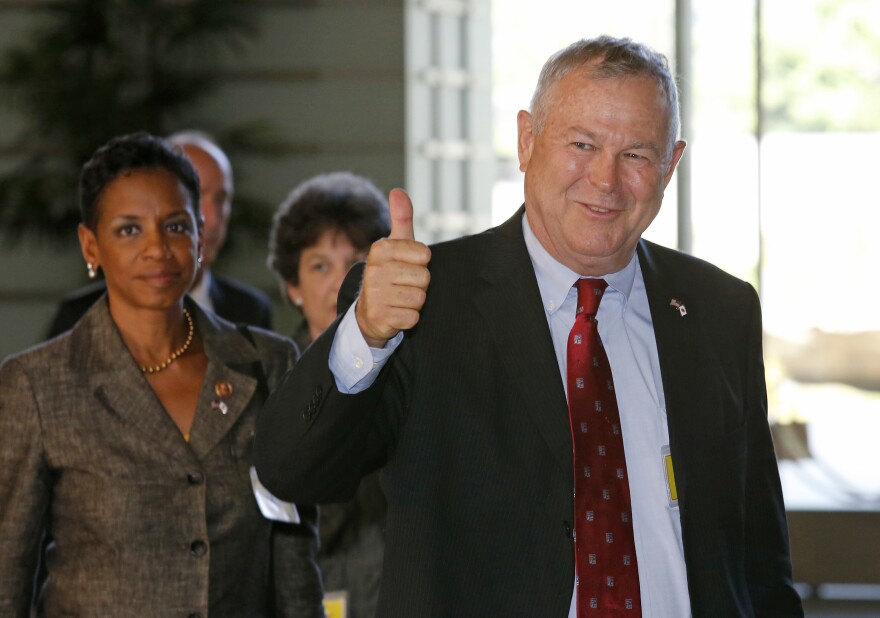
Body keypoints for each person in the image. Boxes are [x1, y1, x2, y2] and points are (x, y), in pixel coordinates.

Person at [254, 36, 805, 617]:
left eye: (637, 155)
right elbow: (291, 472)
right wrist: (364, 334)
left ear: (671, 165)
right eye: (582, 144)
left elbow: (760, 563)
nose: (605, 180)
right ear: (526, 140)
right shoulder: (423, 302)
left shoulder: (719, 311)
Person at [0, 132, 323, 616]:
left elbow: (293, 557)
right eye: (129, 229)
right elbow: (6, 576)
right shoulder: (38, 385)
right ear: (91, 245)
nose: (157, 247)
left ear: (199, 235)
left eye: (175, 226)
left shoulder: (266, 364)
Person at [267, 171, 391, 618]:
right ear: (292, 285)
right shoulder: (272, 381)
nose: (342, 282)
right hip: (307, 594)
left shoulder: (412, 368)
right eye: (320, 266)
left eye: (357, 262)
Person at [45, 130, 272, 337]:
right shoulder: (76, 320)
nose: (212, 219)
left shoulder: (251, 311)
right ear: (90, 246)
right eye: (130, 229)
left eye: (221, 199)